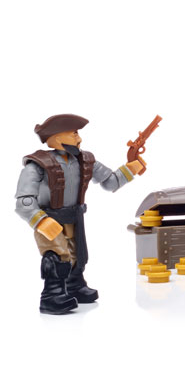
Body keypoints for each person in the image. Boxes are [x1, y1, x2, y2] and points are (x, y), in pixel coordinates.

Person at [15, 114, 145, 314]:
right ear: (58, 137)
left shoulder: (85, 160)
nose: (79, 138)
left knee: (77, 254)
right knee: (57, 254)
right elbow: (24, 200)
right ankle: (52, 295)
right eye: (74, 133)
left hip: (74, 217)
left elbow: (110, 182)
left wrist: (131, 167)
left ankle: (74, 285)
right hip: (49, 217)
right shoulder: (37, 165)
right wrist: (40, 221)